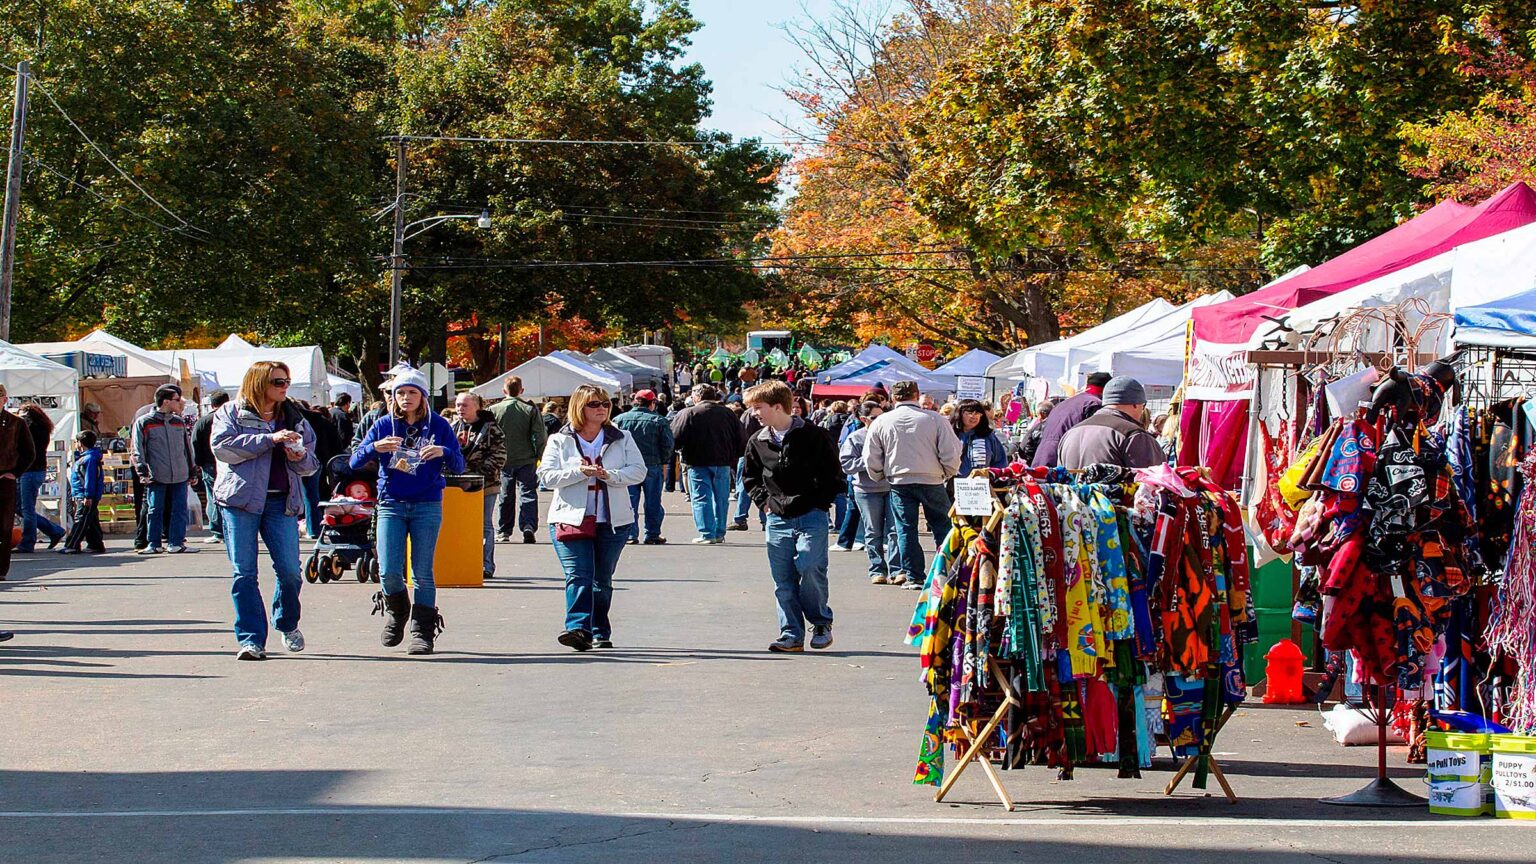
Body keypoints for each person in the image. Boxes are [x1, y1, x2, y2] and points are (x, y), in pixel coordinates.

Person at [210, 361, 320, 660]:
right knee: (244, 573)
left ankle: (286, 622)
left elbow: (310, 465)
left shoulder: (294, 416)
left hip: (281, 501)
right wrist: (269, 439)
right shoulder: (231, 412)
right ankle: (251, 640)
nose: (284, 387)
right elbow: (223, 448)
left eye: (286, 381)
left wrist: (297, 455)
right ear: (259, 383)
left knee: (290, 572)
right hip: (240, 501)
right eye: (277, 382)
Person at [351, 368, 465, 655]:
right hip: (391, 503)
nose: (406, 398)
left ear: (423, 396)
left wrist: (444, 452)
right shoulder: (383, 425)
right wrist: (375, 448)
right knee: (389, 570)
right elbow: (353, 461)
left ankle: (422, 630)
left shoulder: (439, 425)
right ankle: (398, 610)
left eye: (412, 392)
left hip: (427, 503)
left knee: (422, 572)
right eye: (400, 393)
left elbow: (460, 465)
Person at [539, 385, 647, 651]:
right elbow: (546, 477)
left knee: (602, 579)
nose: (602, 408)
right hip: (570, 518)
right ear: (580, 407)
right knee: (578, 574)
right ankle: (577, 627)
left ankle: (599, 630)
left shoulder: (622, 437)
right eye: (594, 404)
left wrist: (609, 475)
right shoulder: (560, 439)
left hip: (612, 520)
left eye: (605, 404)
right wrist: (580, 472)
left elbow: (638, 471)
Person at [742, 381, 843, 652]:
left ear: (778, 407)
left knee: (811, 566)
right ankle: (791, 634)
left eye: (758, 408)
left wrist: (821, 503)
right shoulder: (758, 440)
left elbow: (834, 475)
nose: (754, 413)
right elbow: (750, 477)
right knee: (783, 580)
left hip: (811, 514)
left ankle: (821, 621)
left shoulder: (814, 435)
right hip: (776, 518)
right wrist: (764, 502)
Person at [863, 380, 961, 589]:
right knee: (943, 526)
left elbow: (871, 454)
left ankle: (913, 575)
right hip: (932, 479)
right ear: (916, 395)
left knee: (905, 529)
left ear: (893, 398)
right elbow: (951, 451)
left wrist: (878, 474)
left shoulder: (882, 421)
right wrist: (947, 472)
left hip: (900, 480)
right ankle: (948, 570)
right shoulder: (935, 419)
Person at [669, 385, 746, 544]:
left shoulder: (688, 413)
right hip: (722, 461)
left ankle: (707, 533)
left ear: (697, 396)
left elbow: (675, 437)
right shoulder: (728, 413)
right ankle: (719, 532)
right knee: (721, 498)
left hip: (697, 461)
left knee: (701, 497)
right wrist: (733, 456)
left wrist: (678, 450)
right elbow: (741, 438)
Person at [130, 385, 198, 555]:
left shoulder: (178, 422)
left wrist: (192, 470)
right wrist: (142, 470)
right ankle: (153, 543)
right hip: (156, 474)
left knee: (180, 509)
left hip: (180, 473)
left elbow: (187, 448)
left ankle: (176, 542)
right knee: (154, 510)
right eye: (177, 399)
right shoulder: (144, 422)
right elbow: (138, 449)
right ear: (166, 401)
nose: (180, 402)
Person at [841, 401, 902, 585]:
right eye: (875, 418)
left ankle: (897, 570)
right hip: (867, 490)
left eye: (882, 416)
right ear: (863, 419)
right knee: (873, 531)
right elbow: (846, 464)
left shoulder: (891, 434)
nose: (879, 421)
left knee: (895, 531)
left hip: (892, 487)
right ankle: (877, 569)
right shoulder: (856, 438)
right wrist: (869, 461)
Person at [451, 391, 506, 580]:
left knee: (483, 525)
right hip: (456, 486)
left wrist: (476, 476)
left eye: (464, 405)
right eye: (458, 405)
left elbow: (499, 457)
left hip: (485, 485)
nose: (460, 409)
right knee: (459, 525)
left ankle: (486, 564)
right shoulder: (452, 428)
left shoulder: (491, 429)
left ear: (476, 406)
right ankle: (463, 560)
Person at [1057, 376, 1166, 470]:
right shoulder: (1133, 435)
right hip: (1113, 495)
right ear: (1136, 404)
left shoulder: (1071, 433)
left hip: (1072, 494)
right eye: (1143, 406)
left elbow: (1060, 478)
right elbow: (1153, 484)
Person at [489, 376, 548, 546]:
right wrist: (539, 455)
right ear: (521, 390)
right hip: (526, 457)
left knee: (505, 495)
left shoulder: (494, 409)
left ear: (504, 391)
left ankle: (504, 530)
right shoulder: (529, 409)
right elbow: (539, 434)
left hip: (504, 459)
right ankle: (528, 526)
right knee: (528, 493)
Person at [612, 389, 673, 545]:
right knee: (653, 501)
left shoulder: (619, 419)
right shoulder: (658, 420)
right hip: (652, 465)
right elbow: (667, 445)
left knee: (629, 501)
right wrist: (664, 462)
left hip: (627, 466)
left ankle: (631, 534)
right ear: (652, 403)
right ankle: (652, 534)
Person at [1031, 371, 1111, 468]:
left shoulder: (1065, 403)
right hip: (1063, 461)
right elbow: (1093, 441)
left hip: (1042, 456)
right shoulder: (1094, 404)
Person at [15, 403, 66, 552]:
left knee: (26, 508)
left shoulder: (30, 428)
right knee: (21, 507)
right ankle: (54, 530)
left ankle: (28, 542)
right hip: (35, 471)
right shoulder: (42, 428)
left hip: (30, 471)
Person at [296, 400, 344, 539]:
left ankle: (308, 527)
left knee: (306, 494)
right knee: (313, 494)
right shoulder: (319, 419)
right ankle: (314, 528)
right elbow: (335, 440)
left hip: (305, 458)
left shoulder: (296, 419)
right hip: (321, 459)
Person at [0, 385, 34, 582]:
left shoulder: (15, 423)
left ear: (5, 400)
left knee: (4, 528)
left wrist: (14, 473)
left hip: (5, 480)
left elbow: (29, 453)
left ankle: (1, 569)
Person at [191, 392, 232, 545]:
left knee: (214, 497)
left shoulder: (203, 421)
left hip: (210, 464)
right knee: (231, 496)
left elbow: (195, 443)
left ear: (212, 404)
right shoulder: (233, 418)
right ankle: (231, 528)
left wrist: (199, 464)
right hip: (231, 462)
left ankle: (217, 531)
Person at [60, 430, 105, 554]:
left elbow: (89, 479)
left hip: (85, 495)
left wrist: (88, 496)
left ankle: (72, 544)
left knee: (81, 519)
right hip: (84, 494)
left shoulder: (89, 459)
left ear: (80, 443)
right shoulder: (87, 457)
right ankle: (96, 544)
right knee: (91, 520)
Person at [953, 399, 1009, 478]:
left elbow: (1000, 462)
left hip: (982, 485)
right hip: (955, 486)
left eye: (977, 413)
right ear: (959, 414)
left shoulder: (988, 436)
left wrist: (993, 477)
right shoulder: (951, 435)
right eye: (970, 413)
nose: (974, 416)